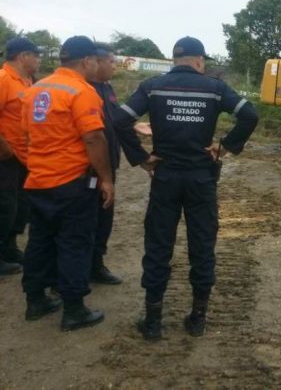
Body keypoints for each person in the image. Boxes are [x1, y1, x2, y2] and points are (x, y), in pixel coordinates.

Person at [113, 36, 258, 341]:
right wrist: (225, 147)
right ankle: (198, 319)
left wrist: (141, 157)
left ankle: (153, 322)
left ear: (174, 59)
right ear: (200, 61)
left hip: (165, 177)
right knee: (202, 246)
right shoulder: (215, 88)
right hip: (201, 179)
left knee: (158, 247)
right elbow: (250, 115)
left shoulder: (152, 86)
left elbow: (119, 120)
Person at [21, 36, 114, 331]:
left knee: (40, 240)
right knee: (75, 243)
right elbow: (94, 138)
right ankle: (74, 309)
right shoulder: (82, 92)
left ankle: (35, 300)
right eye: (95, 61)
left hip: (37, 179)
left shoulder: (34, 89)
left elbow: (27, 136)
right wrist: (106, 179)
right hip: (72, 182)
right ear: (87, 61)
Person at [89, 47, 153, 285]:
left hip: (108, 163)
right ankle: (69, 275)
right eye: (111, 61)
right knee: (84, 222)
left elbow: (114, 118)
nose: (115, 65)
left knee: (104, 218)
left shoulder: (107, 88)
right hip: (90, 166)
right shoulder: (86, 90)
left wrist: (135, 126)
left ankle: (96, 265)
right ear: (95, 62)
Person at [0, 37, 40, 275]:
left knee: (20, 206)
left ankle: (9, 246)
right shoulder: (4, 79)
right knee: (4, 205)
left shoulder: (27, 81)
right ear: (23, 56)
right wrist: (3, 147)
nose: (38, 61)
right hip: (6, 156)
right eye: (36, 56)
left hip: (25, 156)